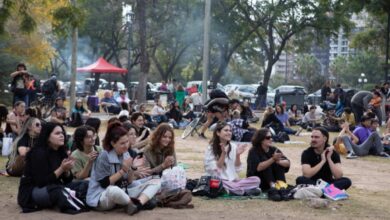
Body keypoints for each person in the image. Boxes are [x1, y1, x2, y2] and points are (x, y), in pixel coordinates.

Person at [86, 122, 160, 215]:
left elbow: (129, 181)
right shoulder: (104, 156)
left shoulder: (126, 153)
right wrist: (123, 171)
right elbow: (104, 184)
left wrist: (132, 168)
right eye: (122, 143)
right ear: (113, 143)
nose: (126, 145)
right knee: (113, 190)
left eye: (127, 142)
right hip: (102, 198)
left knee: (156, 181)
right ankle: (133, 204)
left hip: (122, 193)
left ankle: (138, 204)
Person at [17, 122, 86, 214]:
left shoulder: (61, 151)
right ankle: (79, 203)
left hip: (54, 186)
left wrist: (66, 171)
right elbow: (41, 182)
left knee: (84, 184)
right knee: (58, 191)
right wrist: (61, 168)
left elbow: (67, 181)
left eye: (62, 133)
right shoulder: (38, 153)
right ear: (47, 137)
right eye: (57, 133)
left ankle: (82, 200)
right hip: (33, 191)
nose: (62, 136)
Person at [204, 122, 260, 196]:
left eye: (230, 131)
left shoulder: (233, 146)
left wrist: (237, 155)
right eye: (226, 130)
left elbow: (237, 169)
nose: (229, 133)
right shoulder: (211, 148)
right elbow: (214, 169)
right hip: (219, 180)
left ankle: (234, 190)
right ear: (218, 133)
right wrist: (223, 154)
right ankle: (243, 191)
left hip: (232, 181)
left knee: (256, 180)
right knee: (220, 183)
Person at [247, 128, 290, 201]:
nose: (271, 139)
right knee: (266, 162)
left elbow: (288, 163)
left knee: (278, 163)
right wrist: (273, 159)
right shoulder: (253, 151)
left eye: (271, 137)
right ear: (261, 139)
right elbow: (258, 168)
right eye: (268, 137)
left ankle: (282, 187)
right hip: (259, 181)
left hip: (275, 180)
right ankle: (273, 188)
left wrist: (278, 161)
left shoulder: (273, 149)